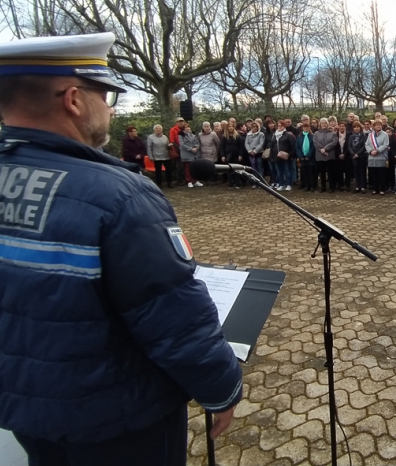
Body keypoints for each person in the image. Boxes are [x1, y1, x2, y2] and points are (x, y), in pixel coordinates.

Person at [0, 33, 241, 466]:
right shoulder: (118, 195)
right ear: (74, 99)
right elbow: (171, 316)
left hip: (26, 406)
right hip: (117, 417)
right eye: (106, 94)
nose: (110, 108)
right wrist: (220, 387)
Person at [269, 120, 295, 191]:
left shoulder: (288, 135)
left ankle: (288, 184)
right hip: (276, 156)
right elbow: (272, 146)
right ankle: (281, 184)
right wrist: (271, 156)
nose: (280, 127)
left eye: (281, 126)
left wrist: (290, 155)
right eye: (279, 125)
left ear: (284, 126)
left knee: (287, 170)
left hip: (285, 156)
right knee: (279, 171)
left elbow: (292, 146)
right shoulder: (274, 135)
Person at [365, 119, 390, 195]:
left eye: (379, 125)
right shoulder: (370, 135)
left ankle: (382, 189)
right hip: (372, 158)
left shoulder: (385, 134)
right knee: (373, 174)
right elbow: (366, 144)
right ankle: (375, 189)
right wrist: (370, 151)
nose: (378, 126)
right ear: (374, 126)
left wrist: (377, 150)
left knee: (381, 174)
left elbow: (386, 145)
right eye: (376, 125)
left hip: (381, 157)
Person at [314, 118, 337, 193]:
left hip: (330, 156)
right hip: (320, 156)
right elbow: (315, 142)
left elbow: (334, 142)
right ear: (320, 124)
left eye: (325, 123)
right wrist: (322, 150)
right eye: (322, 123)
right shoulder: (316, 133)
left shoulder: (332, 133)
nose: (324, 124)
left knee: (331, 172)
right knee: (322, 172)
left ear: (328, 124)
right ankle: (323, 187)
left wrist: (326, 149)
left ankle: (331, 187)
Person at [147, 124, 173, 188]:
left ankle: (169, 183)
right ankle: (159, 183)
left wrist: (170, 146)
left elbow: (167, 145)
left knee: (168, 170)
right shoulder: (150, 137)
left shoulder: (165, 137)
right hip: (157, 156)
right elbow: (149, 147)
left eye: (160, 128)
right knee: (158, 171)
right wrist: (150, 156)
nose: (158, 130)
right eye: (157, 128)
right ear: (154, 130)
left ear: (162, 130)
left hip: (166, 156)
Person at [178, 123, 202, 188]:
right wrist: (191, 149)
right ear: (183, 129)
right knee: (188, 168)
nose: (188, 128)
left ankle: (196, 181)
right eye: (186, 127)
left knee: (196, 168)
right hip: (187, 154)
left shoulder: (193, 135)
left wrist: (196, 147)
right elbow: (182, 145)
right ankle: (189, 181)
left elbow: (197, 143)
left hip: (195, 154)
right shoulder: (181, 136)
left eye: (188, 127)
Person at [347, 120, 368, 193]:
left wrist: (357, 154)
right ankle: (357, 186)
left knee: (362, 172)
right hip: (353, 157)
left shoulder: (363, 136)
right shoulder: (351, 136)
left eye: (358, 127)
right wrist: (353, 154)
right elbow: (349, 146)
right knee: (356, 172)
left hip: (361, 156)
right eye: (355, 127)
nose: (356, 128)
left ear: (360, 128)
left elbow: (364, 146)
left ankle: (363, 186)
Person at [221, 124, 243, 189]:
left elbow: (241, 146)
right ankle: (230, 184)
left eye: (232, 126)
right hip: (228, 155)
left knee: (237, 170)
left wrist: (240, 155)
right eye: (229, 127)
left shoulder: (238, 136)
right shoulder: (224, 137)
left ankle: (237, 184)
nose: (230, 128)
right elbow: (222, 147)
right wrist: (223, 155)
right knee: (229, 170)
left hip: (236, 155)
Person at [296, 122, 316, 192]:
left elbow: (313, 147)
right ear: (302, 128)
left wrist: (309, 155)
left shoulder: (312, 136)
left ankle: (312, 186)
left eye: (307, 127)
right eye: (304, 127)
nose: (306, 128)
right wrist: (300, 156)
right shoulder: (299, 136)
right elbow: (297, 147)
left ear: (309, 128)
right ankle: (306, 186)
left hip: (310, 157)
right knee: (304, 172)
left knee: (311, 172)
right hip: (302, 157)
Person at [169, 117, 185, 184]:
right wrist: (179, 149)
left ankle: (186, 179)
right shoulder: (173, 130)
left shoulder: (186, 129)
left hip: (186, 150)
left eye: (182, 121)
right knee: (180, 165)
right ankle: (179, 180)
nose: (181, 123)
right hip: (178, 150)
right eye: (179, 121)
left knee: (186, 165)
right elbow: (172, 141)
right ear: (176, 122)